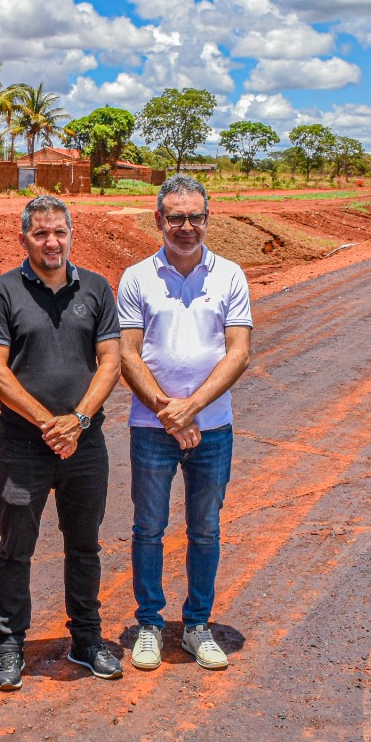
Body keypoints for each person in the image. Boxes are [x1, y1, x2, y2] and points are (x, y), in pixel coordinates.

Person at [0, 195, 124, 690]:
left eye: (59, 231)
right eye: (40, 233)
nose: (51, 241)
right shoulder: (3, 292)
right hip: (24, 446)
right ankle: (9, 645)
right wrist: (49, 424)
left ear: (71, 234)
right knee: (15, 548)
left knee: (84, 545)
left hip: (86, 445)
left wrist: (78, 421)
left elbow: (112, 361)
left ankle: (86, 639)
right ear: (24, 238)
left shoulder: (98, 289)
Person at [117, 174, 252, 672]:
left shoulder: (231, 275)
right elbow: (127, 355)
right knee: (148, 528)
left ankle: (197, 625)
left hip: (212, 426)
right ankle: (150, 624)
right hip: (151, 427)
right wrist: (167, 412)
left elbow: (238, 352)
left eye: (195, 216)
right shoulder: (136, 277)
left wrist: (190, 408)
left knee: (205, 529)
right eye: (176, 217)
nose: (186, 226)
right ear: (159, 220)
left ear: (207, 218)